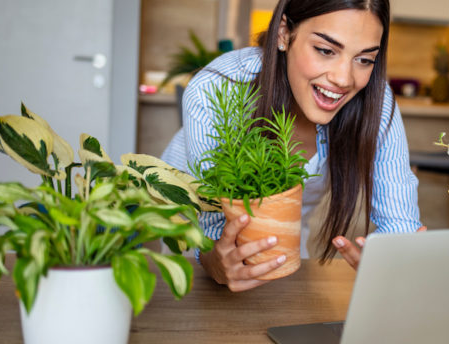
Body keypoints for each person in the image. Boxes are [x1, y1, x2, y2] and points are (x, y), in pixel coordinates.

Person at [162, 0, 424, 292]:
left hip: (285, 248)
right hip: (188, 250)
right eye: (325, 50)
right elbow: (212, 236)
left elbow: (400, 224)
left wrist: (391, 263)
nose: (343, 79)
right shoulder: (218, 87)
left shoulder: (375, 101)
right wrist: (218, 262)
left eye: (364, 59)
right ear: (284, 33)